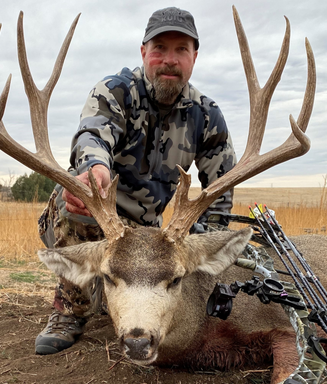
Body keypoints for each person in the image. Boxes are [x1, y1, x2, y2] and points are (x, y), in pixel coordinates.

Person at [35, 6, 237, 355]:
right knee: (77, 200)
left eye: (181, 50)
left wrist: (199, 249)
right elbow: (92, 135)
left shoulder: (206, 115)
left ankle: (128, 300)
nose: (169, 60)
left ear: (194, 57)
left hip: (151, 233)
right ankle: (72, 310)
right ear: (144, 52)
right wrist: (93, 167)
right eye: (160, 48)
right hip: (105, 220)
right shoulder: (116, 91)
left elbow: (221, 186)